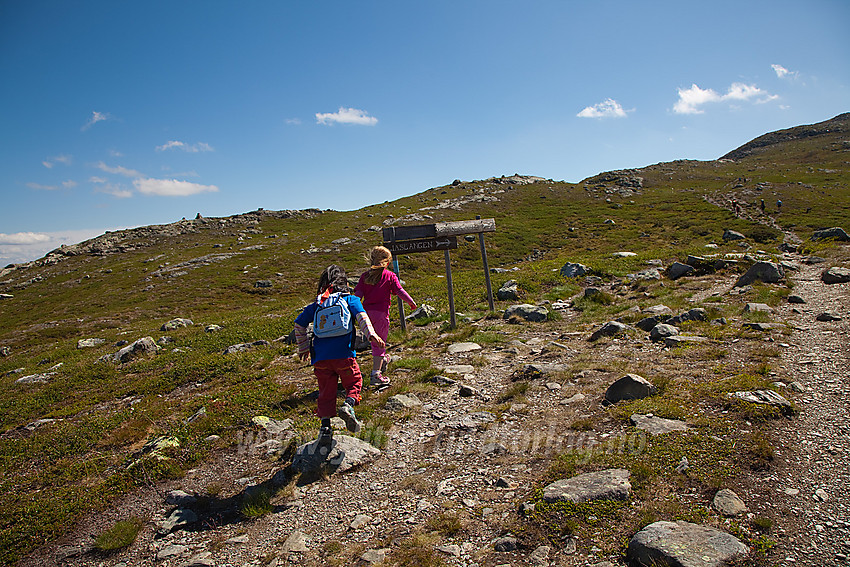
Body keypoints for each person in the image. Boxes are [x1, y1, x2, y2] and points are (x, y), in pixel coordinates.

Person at [294, 264, 385, 446]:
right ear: (344, 282)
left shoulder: (317, 304)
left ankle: (325, 428)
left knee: (326, 392)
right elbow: (362, 318)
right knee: (355, 381)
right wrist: (372, 335)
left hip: (320, 359)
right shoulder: (350, 299)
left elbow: (299, 325)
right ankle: (348, 405)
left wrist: (303, 348)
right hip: (344, 355)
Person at [354, 246, 416, 388]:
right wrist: (410, 301)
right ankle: (376, 374)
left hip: (366, 315)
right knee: (379, 343)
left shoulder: (365, 276)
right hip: (381, 314)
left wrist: (353, 310)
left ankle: (383, 360)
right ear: (387, 262)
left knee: (374, 341)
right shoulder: (389, 276)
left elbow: (357, 296)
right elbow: (399, 290)